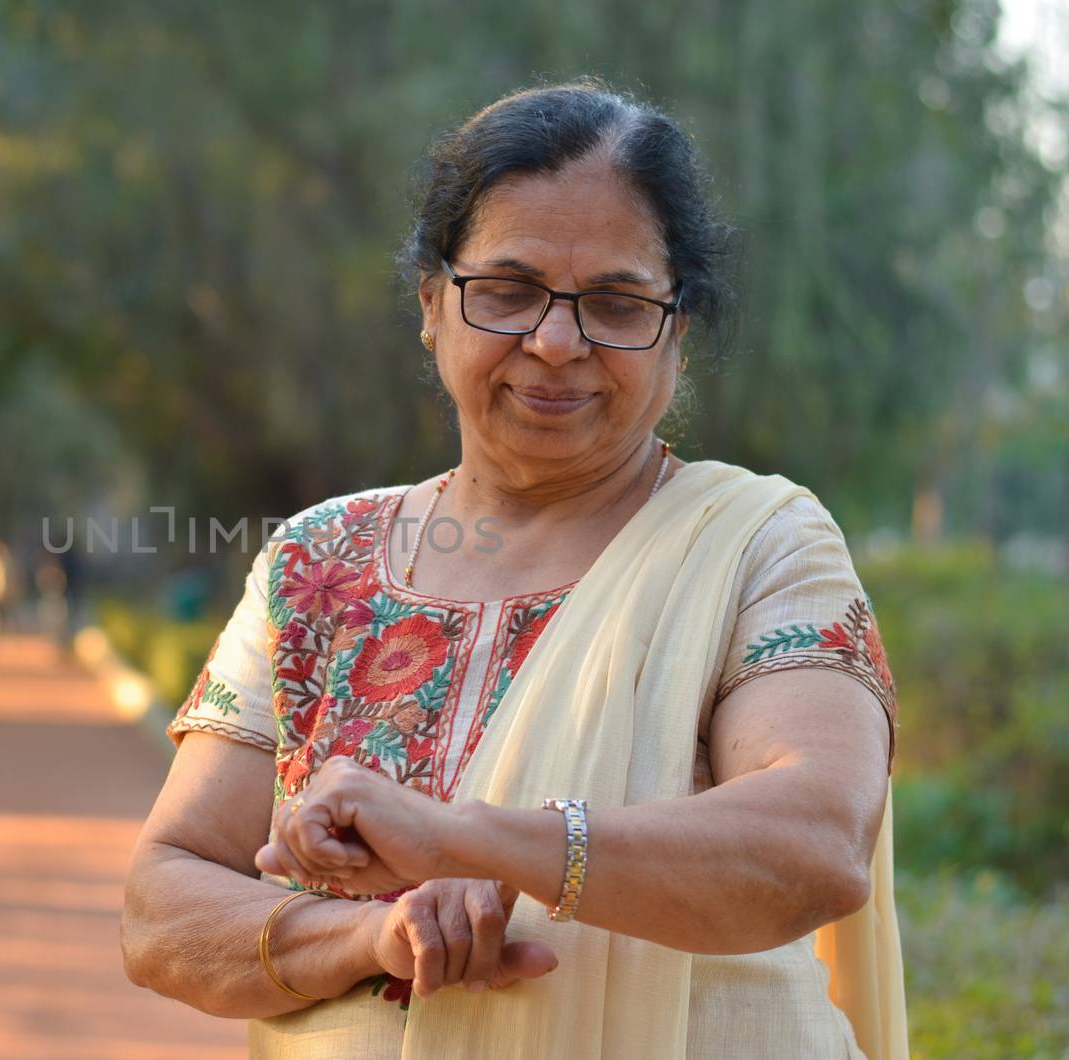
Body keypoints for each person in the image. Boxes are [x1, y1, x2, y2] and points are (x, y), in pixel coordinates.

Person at [121, 81, 907, 1059]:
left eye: (616, 303)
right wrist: (375, 936)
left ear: (680, 331)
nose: (554, 342)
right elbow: (161, 905)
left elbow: (813, 843)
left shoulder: (759, 545)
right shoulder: (317, 564)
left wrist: (465, 838)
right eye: (507, 290)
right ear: (429, 303)